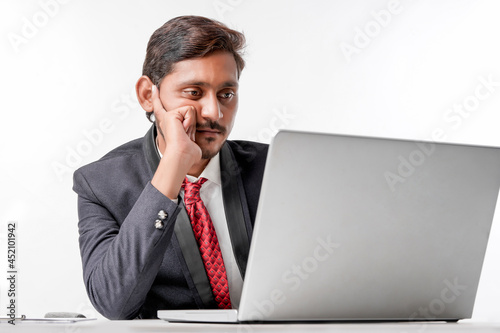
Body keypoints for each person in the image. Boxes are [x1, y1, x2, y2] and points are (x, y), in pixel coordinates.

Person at [73, 15, 268, 320]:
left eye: (226, 94)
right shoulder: (101, 184)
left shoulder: (275, 169)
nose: (214, 112)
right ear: (148, 95)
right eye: (194, 92)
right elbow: (113, 302)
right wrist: (174, 166)